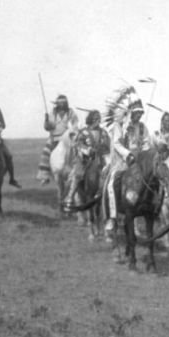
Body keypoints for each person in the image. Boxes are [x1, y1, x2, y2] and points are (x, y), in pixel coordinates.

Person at [102, 92, 151, 239]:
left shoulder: (142, 127)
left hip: (138, 162)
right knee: (111, 183)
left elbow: (147, 144)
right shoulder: (120, 125)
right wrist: (127, 154)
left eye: (140, 113)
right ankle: (112, 217)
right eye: (136, 113)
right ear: (130, 113)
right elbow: (116, 143)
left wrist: (143, 154)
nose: (139, 116)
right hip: (122, 161)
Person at [63, 110, 111, 211]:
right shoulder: (83, 132)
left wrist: (104, 152)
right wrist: (88, 150)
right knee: (78, 173)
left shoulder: (103, 132)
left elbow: (107, 146)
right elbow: (78, 145)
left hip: (101, 157)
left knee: (111, 171)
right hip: (85, 158)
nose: (98, 121)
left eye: (99, 119)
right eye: (95, 119)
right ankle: (70, 197)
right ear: (91, 120)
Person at [36, 94, 79, 185]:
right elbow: (48, 127)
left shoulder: (70, 112)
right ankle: (45, 176)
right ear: (57, 104)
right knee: (46, 153)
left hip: (67, 138)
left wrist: (72, 130)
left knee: (78, 151)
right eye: (60, 103)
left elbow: (75, 123)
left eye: (63, 103)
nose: (62, 105)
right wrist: (46, 121)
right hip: (54, 137)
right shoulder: (53, 113)